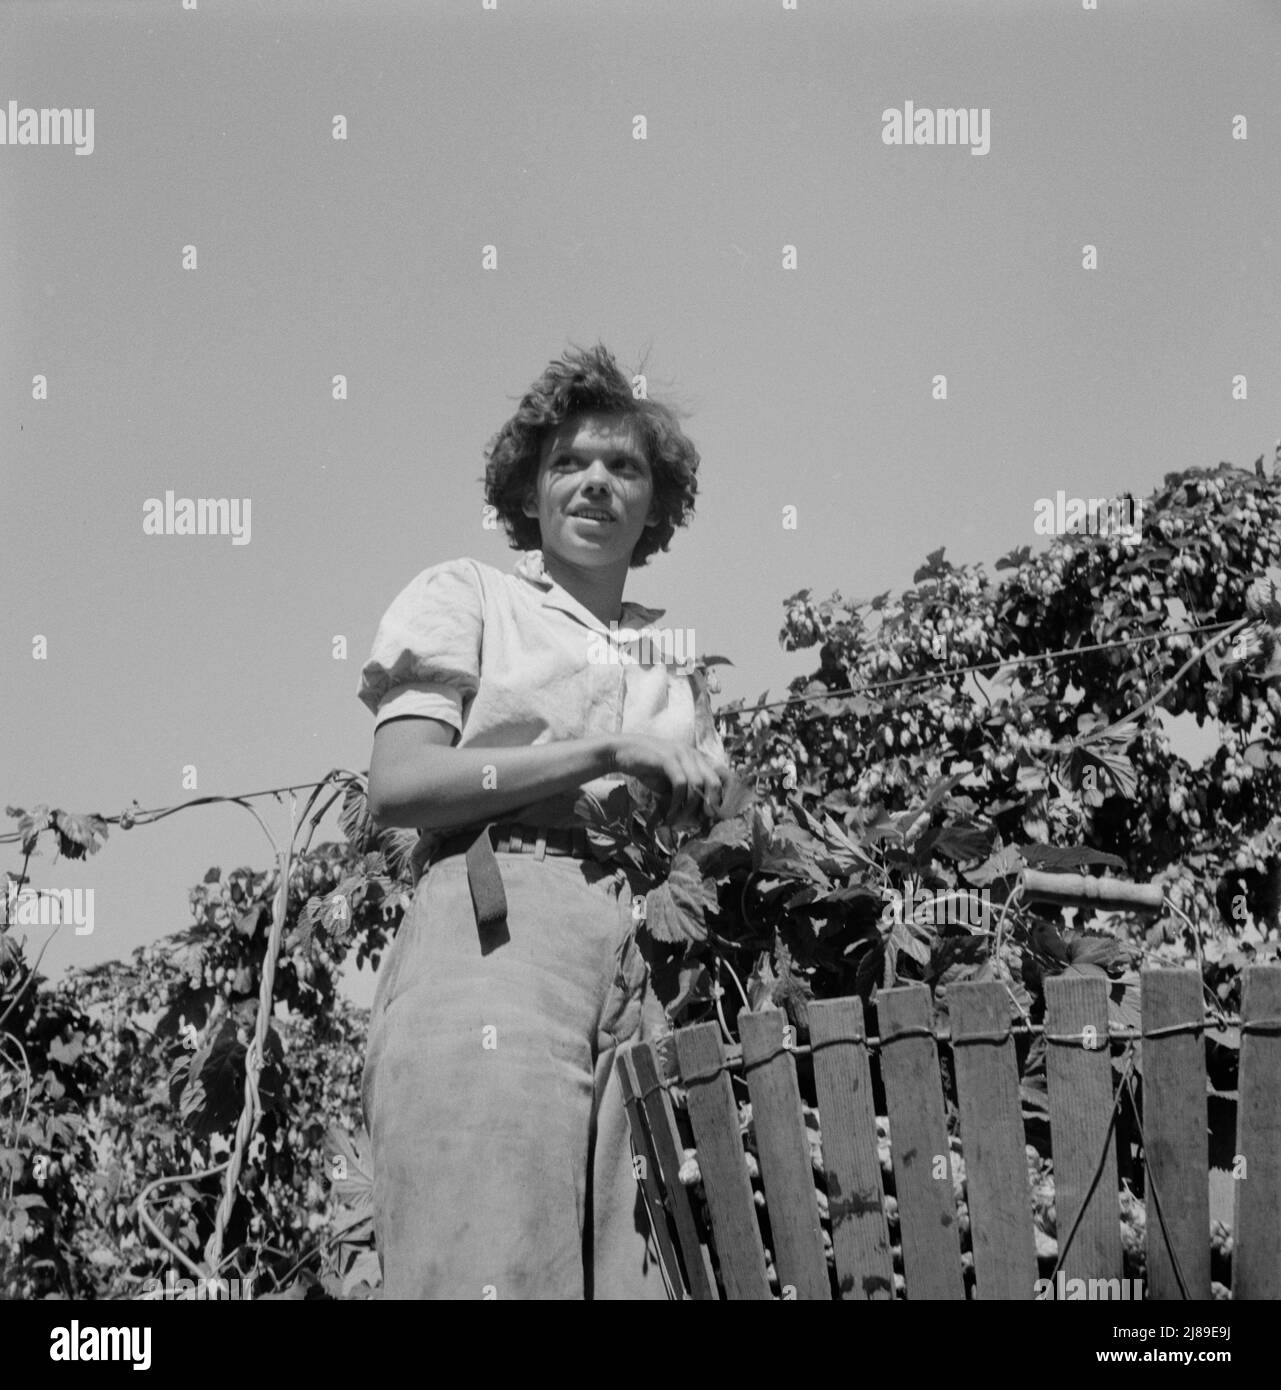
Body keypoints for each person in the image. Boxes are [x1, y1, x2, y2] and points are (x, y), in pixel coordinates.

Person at [356, 342, 732, 1299]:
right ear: (528, 491)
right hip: (493, 940)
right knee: (489, 1259)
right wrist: (608, 753)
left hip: (643, 969)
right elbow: (399, 785)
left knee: (639, 1273)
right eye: (570, 463)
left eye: (624, 467)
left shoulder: (671, 672)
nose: (597, 483)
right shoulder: (470, 597)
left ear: (657, 504)